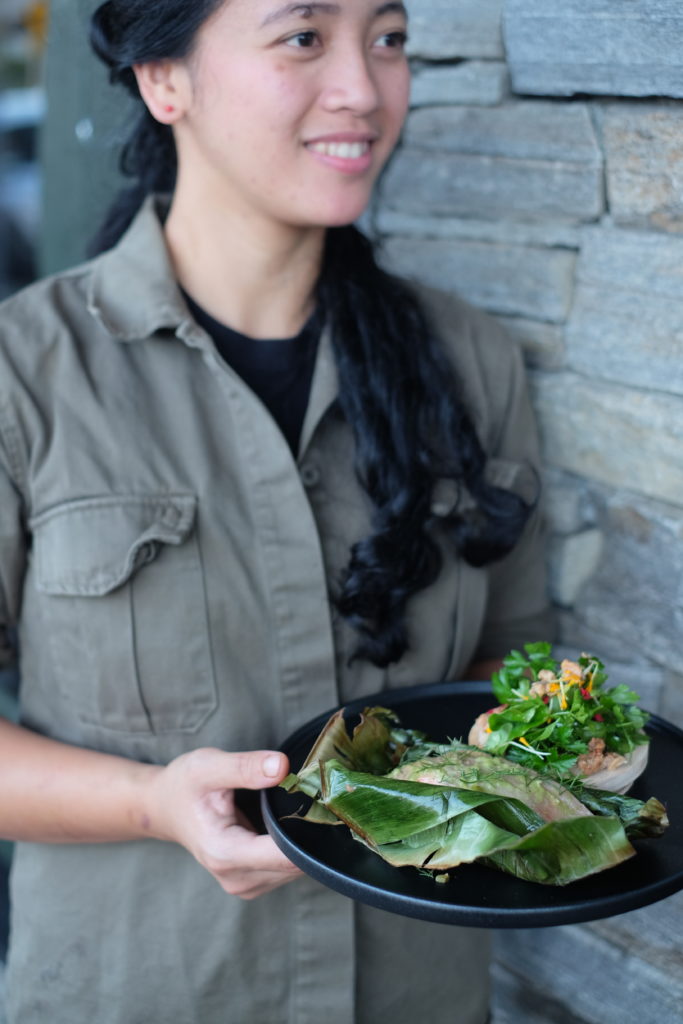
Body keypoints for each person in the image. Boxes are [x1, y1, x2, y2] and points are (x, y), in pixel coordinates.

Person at [0, 0, 553, 1021]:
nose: (361, 86)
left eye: (386, 38)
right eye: (302, 36)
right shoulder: (23, 373)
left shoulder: (471, 361)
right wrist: (150, 804)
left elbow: (513, 651)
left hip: (421, 993)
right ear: (165, 82)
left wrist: (548, 729)